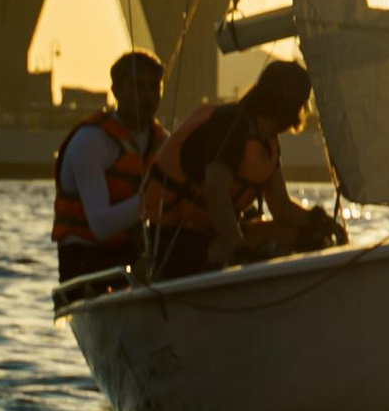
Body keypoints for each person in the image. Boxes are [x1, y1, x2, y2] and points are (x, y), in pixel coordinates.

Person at [148, 59, 344, 278]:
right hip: (176, 239)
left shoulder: (267, 140)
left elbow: (280, 205)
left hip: (214, 234)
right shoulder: (232, 124)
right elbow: (215, 190)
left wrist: (320, 222)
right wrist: (238, 247)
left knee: (311, 236)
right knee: (261, 250)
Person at [52, 49, 166, 286]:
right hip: (84, 264)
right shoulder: (91, 141)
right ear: (116, 91)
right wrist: (157, 199)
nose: (146, 96)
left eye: (154, 87)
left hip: (133, 259)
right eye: (136, 86)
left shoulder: (163, 142)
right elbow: (101, 225)